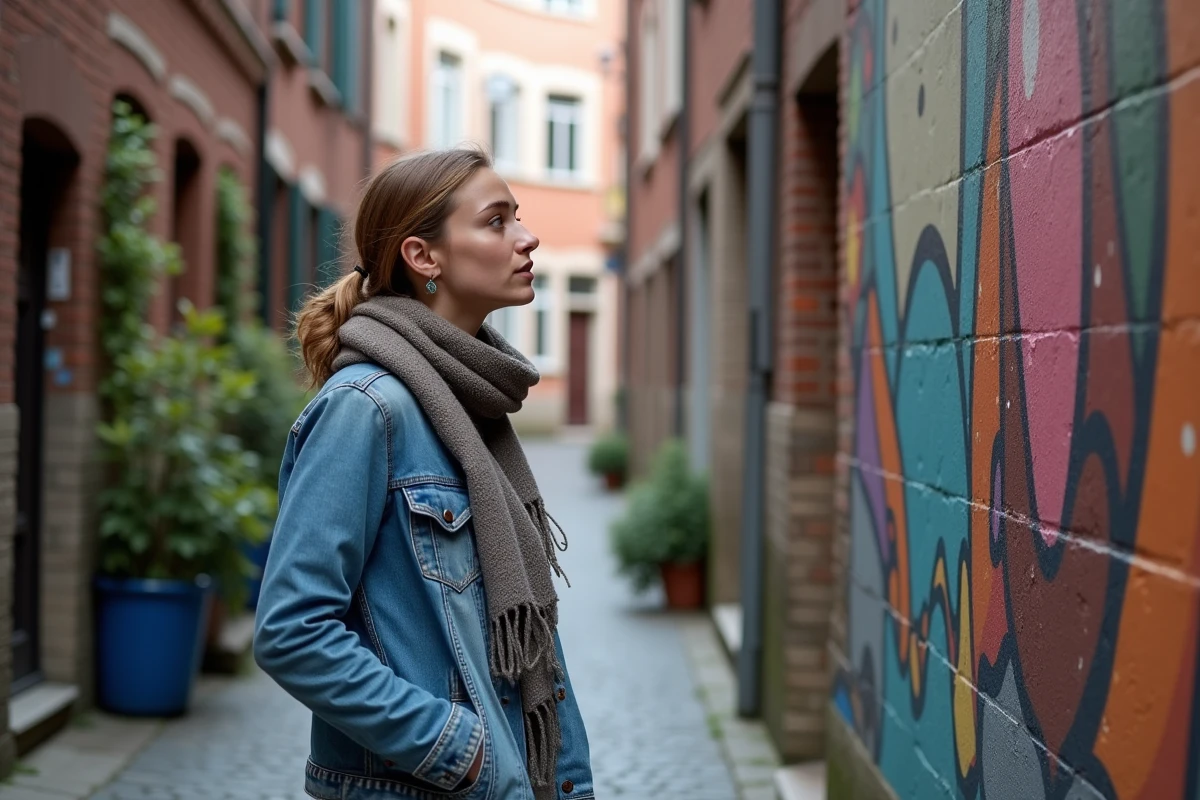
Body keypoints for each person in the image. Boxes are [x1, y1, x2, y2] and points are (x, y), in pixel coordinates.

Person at [254, 148, 593, 800]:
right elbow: (292, 631)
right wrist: (463, 752)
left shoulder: (472, 406)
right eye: (496, 222)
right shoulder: (367, 409)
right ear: (423, 256)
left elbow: (525, 645)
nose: (528, 237)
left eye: (517, 217)